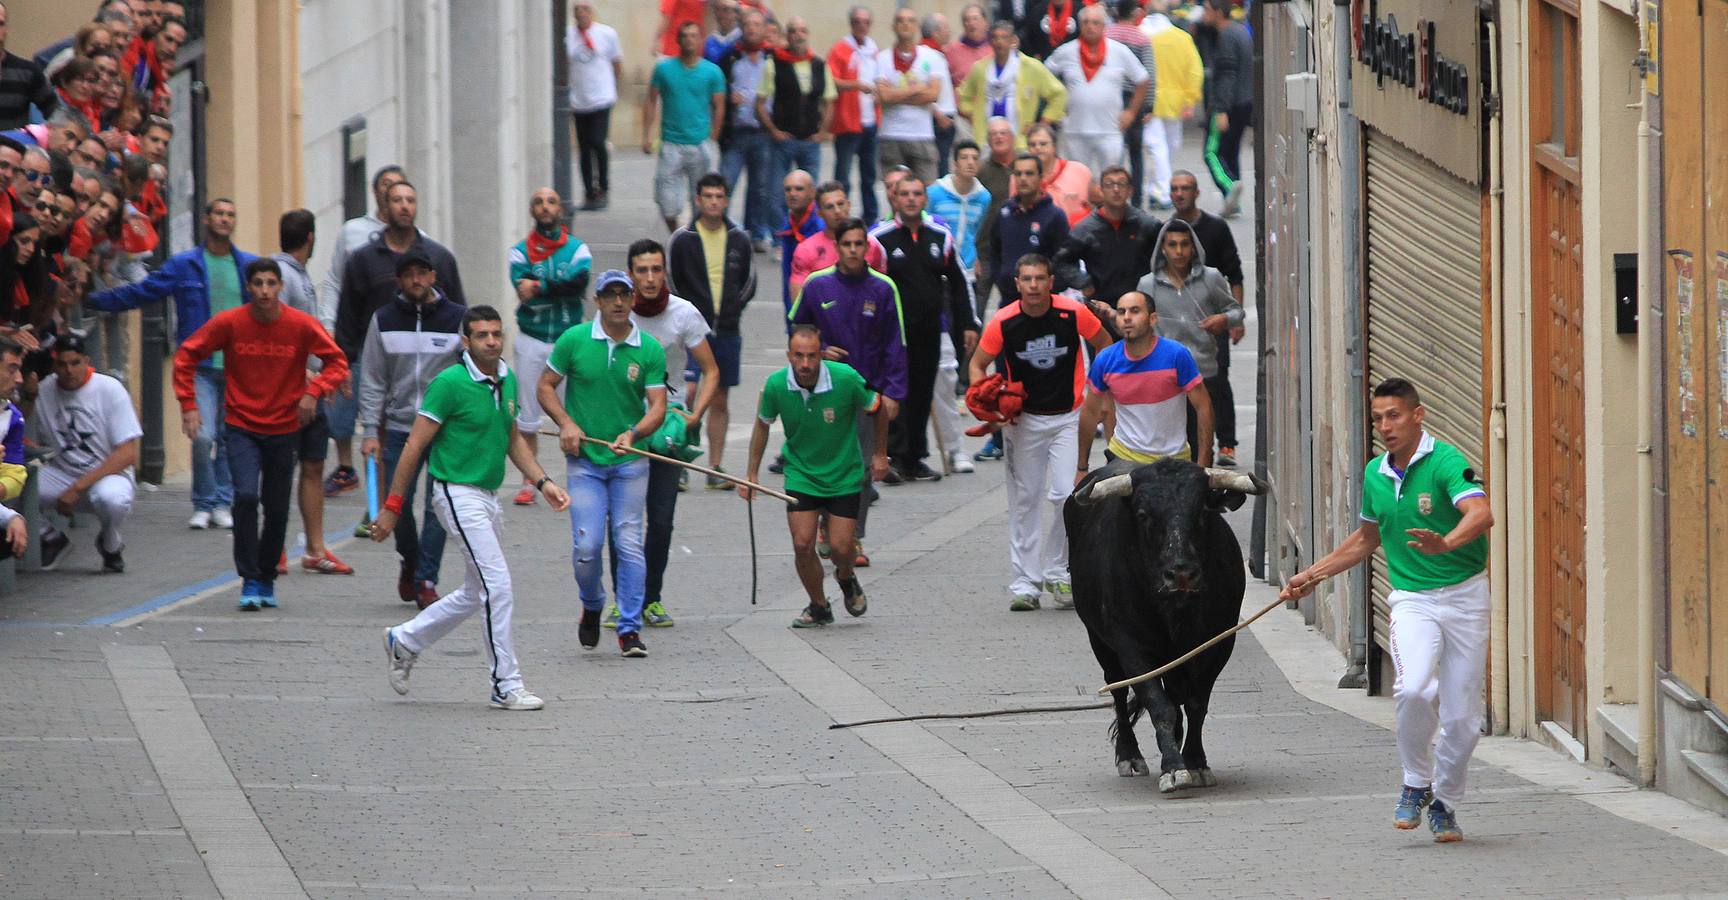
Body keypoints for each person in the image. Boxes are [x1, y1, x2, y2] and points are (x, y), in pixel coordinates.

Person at [1280, 378, 1494, 844]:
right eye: (1378, 418)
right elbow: (1366, 539)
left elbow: (1481, 515)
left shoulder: (1446, 463)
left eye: (1393, 415)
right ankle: (1417, 781)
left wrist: (1447, 543)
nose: (1384, 426)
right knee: (1414, 687)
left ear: (1418, 415)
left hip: (1466, 597)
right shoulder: (1376, 473)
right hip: (1413, 600)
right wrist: (1309, 576)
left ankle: (1446, 803)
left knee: (1463, 719)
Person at [378, 305, 571, 712]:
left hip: (487, 495)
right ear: (465, 341)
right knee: (497, 586)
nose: (491, 341)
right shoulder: (448, 384)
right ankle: (505, 684)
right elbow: (414, 446)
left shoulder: (507, 378)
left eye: (496, 334)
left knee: (475, 590)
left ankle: (405, 640)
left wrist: (543, 481)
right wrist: (393, 506)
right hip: (455, 492)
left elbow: (512, 438)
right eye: (481, 335)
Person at [173, 258, 348, 610]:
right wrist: (189, 404)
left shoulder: (300, 324)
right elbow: (187, 355)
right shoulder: (231, 323)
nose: (265, 291)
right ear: (248, 288)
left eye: (271, 284)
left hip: (285, 428)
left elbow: (337, 362)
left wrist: (313, 392)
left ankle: (267, 576)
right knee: (246, 496)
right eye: (258, 284)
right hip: (241, 426)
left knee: (277, 507)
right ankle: (249, 577)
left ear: (280, 287)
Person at [85, 198, 256, 529]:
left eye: (230, 214)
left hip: (239, 365)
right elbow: (144, 292)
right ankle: (204, 502)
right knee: (203, 435)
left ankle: (223, 501)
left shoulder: (247, 267)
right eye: (219, 213)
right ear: (207, 219)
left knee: (229, 435)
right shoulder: (186, 265)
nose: (225, 219)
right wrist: (93, 300)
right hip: (201, 365)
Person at [967, 253, 1110, 611]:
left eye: (1039, 279)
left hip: (1068, 416)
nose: (1033, 286)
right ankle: (1025, 583)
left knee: (1067, 496)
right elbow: (977, 365)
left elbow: (1105, 345)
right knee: (1025, 502)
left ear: (1050, 282)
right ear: (1017, 284)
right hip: (1023, 422)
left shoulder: (1072, 312)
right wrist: (986, 404)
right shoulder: (1004, 321)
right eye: (1026, 279)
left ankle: (1058, 572)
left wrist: (1098, 393)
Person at [538, 269, 669, 659]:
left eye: (623, 294)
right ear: (596, 300)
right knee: (587, 546)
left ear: (633, 300)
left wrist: (635, 433)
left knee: (629, 543)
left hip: (629, 461)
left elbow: (659, 405)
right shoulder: (574, 340)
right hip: (585, 462)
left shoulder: (649, 349)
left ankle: (630, 628)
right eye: (609, 294)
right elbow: (545, 385)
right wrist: (567, 423)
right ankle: (592, 602)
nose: (617, 301)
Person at [602, 239, 719, 629]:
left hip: (667, 429)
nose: (650, 279)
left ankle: (651, 598)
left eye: (656, 269)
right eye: (642, 271)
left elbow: (711, 370)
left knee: (662, 519)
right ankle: (623, 601)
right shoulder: (617, 313)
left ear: (665, 271)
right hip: (624, 429)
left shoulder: (683, 314)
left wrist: (694, 417)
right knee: (622, 519)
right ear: (630, 275)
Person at [741, 325, 888, 626]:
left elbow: (878, 407)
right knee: (802, 544)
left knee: (841, 548)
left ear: (822, 355)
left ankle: (846, 577)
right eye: (798, 356)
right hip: (801, 474)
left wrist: (879, 454)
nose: (805, 364)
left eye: (812, 356)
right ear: (788, 356)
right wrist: (751, 473)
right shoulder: (776, 385)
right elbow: (762, 425)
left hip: (844, 473)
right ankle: (819, 605)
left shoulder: (845, 378)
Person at [787, 217, 906, 565]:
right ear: (836, 247)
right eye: (847, 244)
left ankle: (853, 537)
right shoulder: (817, 285)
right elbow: (798, 330)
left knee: (864, 467)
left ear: (867, 247)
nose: (854, 250)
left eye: (859, 244)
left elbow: (895, 344)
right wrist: (820, 353)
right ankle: (826, 525)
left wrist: (894, 393)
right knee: (825, 463)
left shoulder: (883, 288)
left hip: (868, 392)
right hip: (822, 392)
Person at [358, 248, 465, 609]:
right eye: (409, 274)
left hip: (443, 429)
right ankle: (410, 557)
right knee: (396, 504)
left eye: (423, 273)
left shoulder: (456, 320)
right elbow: (372, 377)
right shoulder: (384, 320)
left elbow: (469, 376)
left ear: (434, 276)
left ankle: (426, 578)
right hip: (400, 426)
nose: (417, 280)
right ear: (400, 280)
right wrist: (370, 430)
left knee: (438, 506)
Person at [870, 176, 978, 482]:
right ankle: (891, 455)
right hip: (893, 334)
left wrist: (970, 322)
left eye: (917, 193)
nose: (911, 199)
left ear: (925, 199)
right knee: (895, 395)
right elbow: (870, 283)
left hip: (929, 331)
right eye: (904, 194)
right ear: (895, 198)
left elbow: (960, 282)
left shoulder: (940, 237)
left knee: (921, 395)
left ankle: (915, 457)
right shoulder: (880, 238)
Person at [318, 164, 412, 501]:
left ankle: (383, 496)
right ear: (377, 193)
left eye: (402, 192)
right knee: (343, 411)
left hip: (398, 347)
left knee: (382, 424)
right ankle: (346, 467)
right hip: (356, 339)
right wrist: (329, 326)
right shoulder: (354, 233)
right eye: (388, 188)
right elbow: (334, 281)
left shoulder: (420, 243)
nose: (397, 199)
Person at [272, 208, 352, 575]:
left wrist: (324, 377)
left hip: (312, 390)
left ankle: (315, 548)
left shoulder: (299, 276)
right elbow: (280, 333)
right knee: (281, 470)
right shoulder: (282, 278)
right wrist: (305, 375)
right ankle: (275, 548)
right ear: (311, 239)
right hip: (289, 393)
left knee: (313, 464)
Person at [1125, 218, 1241, 461]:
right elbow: (1135, 321)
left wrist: (1223, 319)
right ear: (1163, 248)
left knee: (1201, 441)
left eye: (1184, 245)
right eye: (1173, 245)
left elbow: (1236, 311)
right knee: (1168, 444)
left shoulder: (1211, 278)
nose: (1179, 251)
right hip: (1164, 376)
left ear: (1193, 247)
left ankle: (1203, 480)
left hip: (1203, 371)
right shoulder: (1148, 284)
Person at [667, 173, 756, 487]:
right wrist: (686, 317)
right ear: (698, 200)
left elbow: (749, 282)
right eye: (708, 196)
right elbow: (672, 282)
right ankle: (678, 461)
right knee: (687, 393)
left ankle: (715, 467)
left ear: (727, 200)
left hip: (728, 329)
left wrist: (732, 308)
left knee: (720, 398)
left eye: (719, 196)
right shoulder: (683, 238)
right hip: (691, 331)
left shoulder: (740, 238)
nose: (714, 202)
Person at [507, 187, 591, 505]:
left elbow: (578, 285)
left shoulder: (578, 249)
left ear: (561, 210)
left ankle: (581, 475)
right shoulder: (519, 251)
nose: (545, 207)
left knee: (574, 411)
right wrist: (555, 288)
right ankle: (530, 480)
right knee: (527, 414)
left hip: (569, 339)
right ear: (532, 210)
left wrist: (540, 285)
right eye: (539, 202)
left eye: (552, 201)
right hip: (532, 337)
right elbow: (521, 289)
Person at [29, 333, 141, 573]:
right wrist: (28, 394)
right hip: (61, 474)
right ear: (54, 364)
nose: (69, 371)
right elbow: (21, 424)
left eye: (75, 363)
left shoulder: (109, 388)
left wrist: (77, 488)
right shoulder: (44, 390)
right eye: (62, 364)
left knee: (112, 499)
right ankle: (51, 538)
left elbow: (128, 454)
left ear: (86, 360)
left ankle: (110, 545)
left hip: (107, 474)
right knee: (13, 488)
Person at [1075, 290, 1212, 474]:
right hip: (1123, 459)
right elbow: (1090, 413)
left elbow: (1204, 406)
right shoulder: (1105, 360)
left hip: (1175, 460)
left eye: (1135, 311)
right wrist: (1082, 467)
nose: (1127, 317)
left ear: (1153, 319)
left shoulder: (1177, 355)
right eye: (1122, 312)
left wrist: (1203, 464)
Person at [1168, 169, 1245, 464]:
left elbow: (1235, 273)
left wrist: (1234, 321)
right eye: (1174, 189)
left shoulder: (1215, 228)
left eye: (1185, 188)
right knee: (1181, 387)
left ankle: (1226, 443)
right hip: (1178, 326)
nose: (1179, 193)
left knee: (1217, 382)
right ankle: (1189, 445)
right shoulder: (1164, 233)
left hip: (1213, 324)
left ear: (1197, 192)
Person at [1043, 5, 1149, 178]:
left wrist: (1131, 112)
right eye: (1085, 22)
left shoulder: (1119, 51)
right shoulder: (1066, 51)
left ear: (1103, 26)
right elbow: (1044, 76)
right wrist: (1055, 109)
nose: (1090, 26)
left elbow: (1142, 79)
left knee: (1111, 180)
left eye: (1095, 22)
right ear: (1079, 25)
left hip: (1109, 131)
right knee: (1078, 181)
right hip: (1075, 131)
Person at [645, 22, 726, 233]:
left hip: (700, 143)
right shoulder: (664, 69)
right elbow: (651, 100)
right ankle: (676, 232)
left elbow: (719, 105)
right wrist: (648, 134)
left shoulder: (712, 72)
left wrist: (714, 136)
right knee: (666, 198)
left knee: (702, 197)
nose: (689, 40)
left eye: (694, 35)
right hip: (671, 143)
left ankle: (696, 236)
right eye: (685, 36)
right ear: (678, 40)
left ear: (700, 40)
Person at [757, 16, 833, 228]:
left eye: (802, 31)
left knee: (811, 192)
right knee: (777, 192)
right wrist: (773, 130)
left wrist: (823, 131)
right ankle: (779, 236)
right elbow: (760, 103)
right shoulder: (774, 64)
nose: (798, 35)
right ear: (787, 36)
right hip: (784, 139)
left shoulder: (819, 65)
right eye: (793, 31)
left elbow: (829, 101)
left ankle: (808, 231)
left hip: (810, 140)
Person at [1054, 164, 1160, 306]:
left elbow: (1165, 251)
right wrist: (1083, 282)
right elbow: (1062, 260)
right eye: (1109, 184)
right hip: (1102, 302)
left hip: (1140, 301)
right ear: (1101, 190)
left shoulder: (1145, 224)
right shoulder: (1085, 229)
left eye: (1121, 184)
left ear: (1130, 191)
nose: (1116, 190)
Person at [955, 21, 1065, 147]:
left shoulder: (1031, 67)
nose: (999, 42)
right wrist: (973, 116)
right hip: (986, 139)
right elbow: (963, 95)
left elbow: (1059, 93)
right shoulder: (980, 68)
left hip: (1020, 140)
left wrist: (1043, 124)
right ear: (990, 41)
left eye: (1004, 37)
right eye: (995, 37)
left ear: (1013, 40)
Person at [869, 8, 945, 187]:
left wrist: (896, 94)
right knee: (894, 191)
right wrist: (918, 89)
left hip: (922, 134)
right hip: (891, 134)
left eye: (910, 20)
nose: (905, 24)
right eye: (901, 20)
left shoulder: (932, 57)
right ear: (893, 26)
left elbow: (933, 94)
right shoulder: (882, 58)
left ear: (916, 26)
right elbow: (884, 96)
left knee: (927, 189)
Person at [1140, 0, 1203, 209]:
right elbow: (1195, 70)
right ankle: (1160, 189)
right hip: (1175, 101)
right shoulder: (1182, 38)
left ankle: (1160, 189)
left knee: (1155, 146)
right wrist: (1190, 99)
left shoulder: (1141, 35)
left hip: (1149, 99)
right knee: (1167, 145)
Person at [988, 152, 1069, 302]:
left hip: (1044, 304)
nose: (1023, 179)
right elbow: (994, 249)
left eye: (1029, 173)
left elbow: (1066, 260)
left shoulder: (1055, 216)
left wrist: (1049, 288)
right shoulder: (1004, 212)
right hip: (1008, 300)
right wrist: (1001, 278)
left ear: (1041, 177)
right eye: (1018, 174)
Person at [568, 0, 624, 211]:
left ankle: (603, 187)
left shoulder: (607, 34)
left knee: (598, 142)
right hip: (579, 100)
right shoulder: (569, 36)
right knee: (583, 148)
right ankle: (589, 192)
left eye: (584, 10)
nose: (581, 14)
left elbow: (617, 63)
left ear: (591, 12)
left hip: (601, 97)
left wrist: (611, 86)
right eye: (577, 11)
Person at [1199, 0, 1253, 217]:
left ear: (1219, 12)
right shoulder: (1241, 32)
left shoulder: (1227, 36)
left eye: (1207, 10)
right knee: (1230, 153)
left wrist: (1220, 109)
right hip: (1243, 102)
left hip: (1227, 104)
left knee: (1211, 153)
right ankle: (1233, 201)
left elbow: (1227, 74)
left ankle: (1229, 188)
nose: (1204, 14)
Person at [789, 179, 886, 297]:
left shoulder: (870, 245)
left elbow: (881, 290)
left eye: (840, 204)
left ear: (849, 205)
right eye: (829, 207)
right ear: (819, 213)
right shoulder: (806, 250)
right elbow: (799, 304)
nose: (837, 211)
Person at [828, 6, 881, 223]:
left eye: (865, 22)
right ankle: (840, 216)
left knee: (869, 175)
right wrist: (855, 85)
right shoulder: (841, 49)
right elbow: (831, 80)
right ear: (851, 24)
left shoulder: (873, 50)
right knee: (843, 174)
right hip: (848, 121)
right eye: (857, 21)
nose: (862, 26)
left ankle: (871, 216)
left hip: (870, 119)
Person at [1104, 0, 1157, 203]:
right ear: (1135, 13)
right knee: (1136, 151)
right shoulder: (1142, 38)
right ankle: (1137, 198)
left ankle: (1112, 192)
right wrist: (1149, 105)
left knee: (1113, 148)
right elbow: (1149, 73)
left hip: (1111, 97)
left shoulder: (1107, 34)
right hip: (1135, 98)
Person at [774, 169, 824, 319]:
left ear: (812, 192)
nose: (792, 193)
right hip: (793, 310)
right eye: (788, 189)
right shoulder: (788, 224)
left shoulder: (821, 228)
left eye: (799, 189)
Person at [0, 4, 57, 131]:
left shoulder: (28, 72)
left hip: (15, 147)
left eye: (0, 24)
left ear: (6, 30)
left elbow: (56, 114)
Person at [1026, 122, 1091, 224]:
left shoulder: (1080, 170)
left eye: (1043, 144)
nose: (1037, 148)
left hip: (1077, 235)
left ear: (1054, 146)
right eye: (1032, 145)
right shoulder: (1020, 176)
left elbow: (1095, 205)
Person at [942, 5, 993, 115]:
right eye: (966, 20)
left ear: (986, 22)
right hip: (962, 115)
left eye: (975, 18)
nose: (971, 23)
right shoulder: (951, 50)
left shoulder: (995, 48)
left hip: (992, 113)